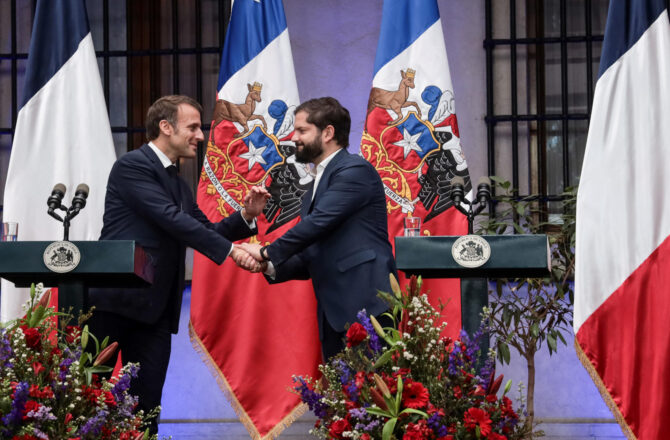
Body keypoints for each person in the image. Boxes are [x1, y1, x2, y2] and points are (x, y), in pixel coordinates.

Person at [87, 95, 268, 433]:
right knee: (85, 398)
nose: (200, 136)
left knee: (147, 409)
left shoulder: (177, 182)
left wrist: (245, 216)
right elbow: (171, 220)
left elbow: (203, 230)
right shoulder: (132, 166)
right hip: (113, 304)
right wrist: (232, 252)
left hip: (154, 311)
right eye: (193, 127)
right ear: (165, 127)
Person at [240, 97, 397, 361]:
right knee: (342, 401)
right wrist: (267, 266)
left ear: (328, 133)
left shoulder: (355, 170)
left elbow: (316, 224)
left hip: (367, 305)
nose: (294, 137)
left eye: (302, 130)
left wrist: (266, 252)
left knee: (376, 399)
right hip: (334, 314)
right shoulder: (315, 186)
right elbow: (313, 250)